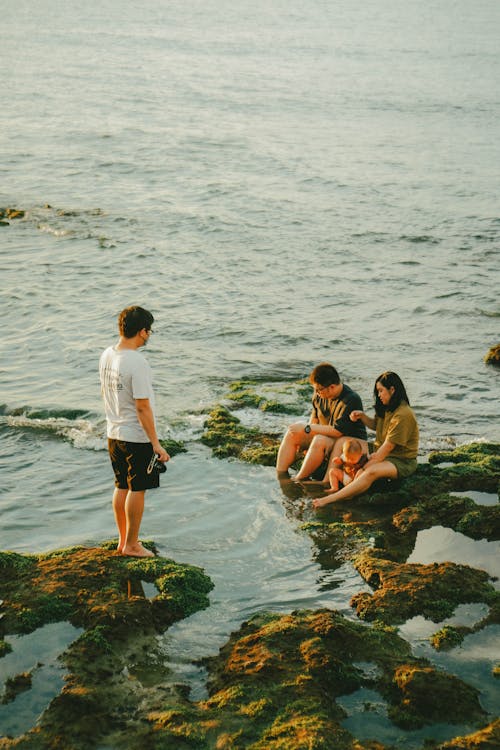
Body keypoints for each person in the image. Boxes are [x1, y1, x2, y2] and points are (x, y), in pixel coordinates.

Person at [99, 306, 170, 557]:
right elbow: (142, 407)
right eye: (149, 331)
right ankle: (131, 544)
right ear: (142, 332)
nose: (149, 336)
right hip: (135, 436)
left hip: (113, 432)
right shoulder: (137, 362)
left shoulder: (107, 355)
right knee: (137, 488)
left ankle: (123, 541)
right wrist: (156, 444)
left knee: (121, 486)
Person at [313, 371, 418, 508]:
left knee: (370, 472)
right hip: (379, 448)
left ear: (392, 390)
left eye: (381, 391)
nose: (379, 395)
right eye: (377, 391)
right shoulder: (388, 407)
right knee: (343, 442)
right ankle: (328, 481)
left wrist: (367, 464)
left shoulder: (403, 414)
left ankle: (334, 497)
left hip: (400, 460)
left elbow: (388, 447)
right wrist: (362, 417)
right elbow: (377, 426)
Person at [276, 363, 368, 481]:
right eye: (315, 389)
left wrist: (307, 428)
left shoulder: (351, 399)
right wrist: (306, 435)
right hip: (327, 435)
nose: (317, 393)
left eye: (319, 390)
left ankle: (298, 479)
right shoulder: (319, 395)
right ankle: (281, 475)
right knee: (292, 432)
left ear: (332, 387)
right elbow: (314, 419)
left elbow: (337, 431)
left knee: (319, 440)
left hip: (348, 442)